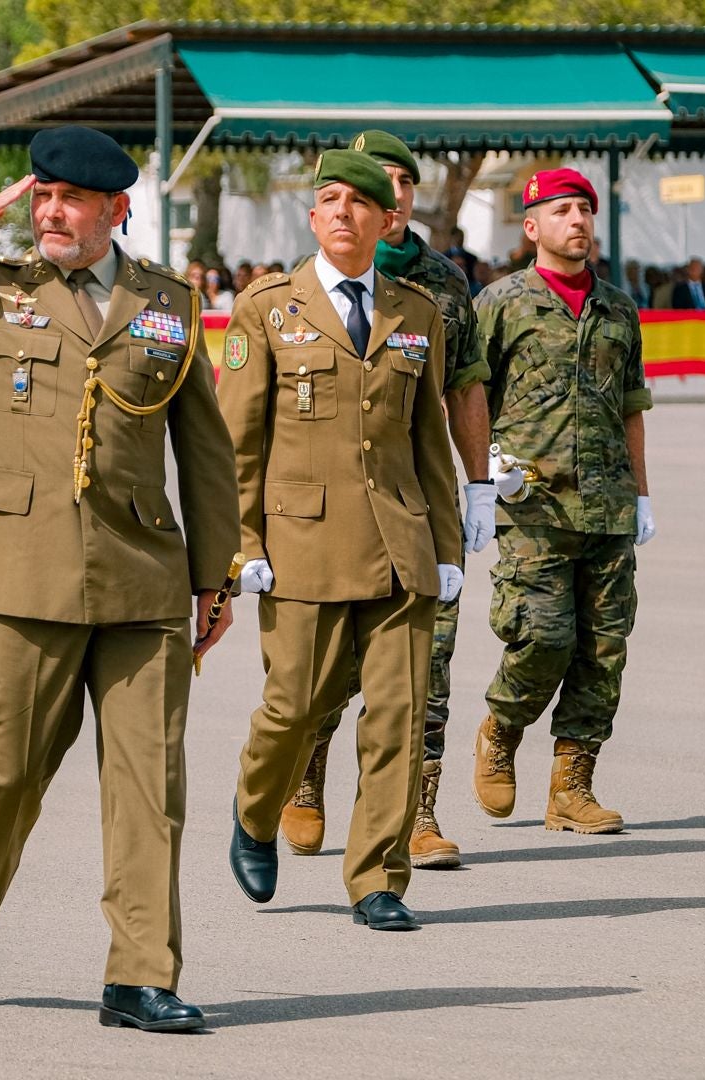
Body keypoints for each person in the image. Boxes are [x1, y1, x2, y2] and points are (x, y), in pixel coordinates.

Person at [0, 125, 240, 1031]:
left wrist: (215, 577)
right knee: (9, 770)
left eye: (71, 200)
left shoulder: (168, 305)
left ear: (117, 210)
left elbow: (205, 451)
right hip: (22, 568)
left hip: (143, 572)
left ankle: (139, 977)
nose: (52, 213)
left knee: (151, 784)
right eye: (42, 197)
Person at [219, 149, 463, 932]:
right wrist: (241, 545)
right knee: (294, 706)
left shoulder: (417, 314)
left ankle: (378, 880)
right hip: (301, 547)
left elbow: (428, 442)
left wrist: (449, 548)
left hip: (400, 544)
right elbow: (236, 444)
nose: (343, 213)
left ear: (387, 220)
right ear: (314, 217)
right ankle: (256, 811)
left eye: (359, 203)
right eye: (329, 199)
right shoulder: (267, 308)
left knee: (397, 718)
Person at [277, 131, 495, 871]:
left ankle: (415, 813)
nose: (391, 195)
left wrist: (479, 486)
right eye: (377, 182)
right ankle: (305, 774)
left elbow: (465, 385)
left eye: (402, 182)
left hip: (416, 503)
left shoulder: (445, 283)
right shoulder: (301, 283)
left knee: (425, 664)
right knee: (331, 664)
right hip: (332, 508)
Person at [473, 167, 654, 836]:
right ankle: (502, 726)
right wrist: (483, 469)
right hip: (532, 505)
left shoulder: (618, 308)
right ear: (531, 227)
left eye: (584, 210)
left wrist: (642, 493)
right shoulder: (500, 302)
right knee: (543, 637)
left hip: (608, 505)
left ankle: (572, 787)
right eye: (561, 211)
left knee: (603, 650)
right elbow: (469, 395)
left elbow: (632, 404)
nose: (577, 221)